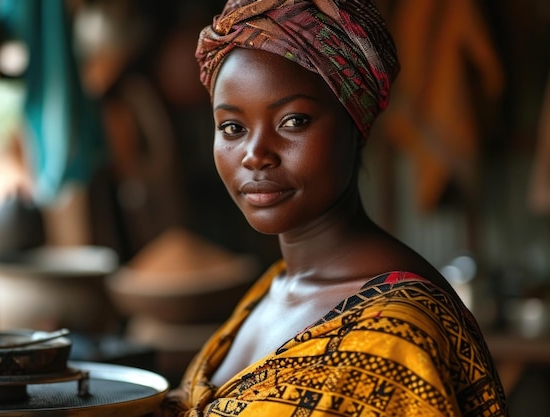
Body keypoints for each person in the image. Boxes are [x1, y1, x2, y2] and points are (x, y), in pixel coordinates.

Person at [159, 0, 509, 416]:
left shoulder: (395, 335)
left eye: (293, 121)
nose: (255, 155)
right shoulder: (275, 287)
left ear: (355, 125)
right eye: (232, 128)